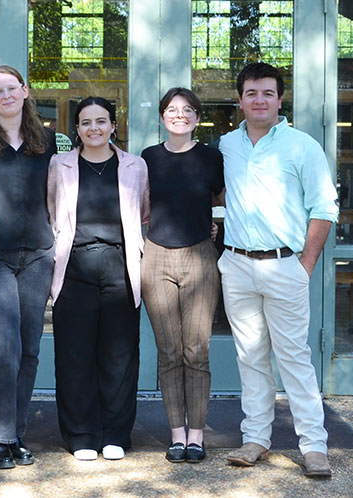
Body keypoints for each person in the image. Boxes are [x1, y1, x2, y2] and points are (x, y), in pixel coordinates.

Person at [218, 62, 339, 479]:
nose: (259, 100)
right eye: (251, 93)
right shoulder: (226, 145)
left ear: (280, 99)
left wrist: (304, 265)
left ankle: (314, 447)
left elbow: (324, 208)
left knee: (294, 358)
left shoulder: (302, 146)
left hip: (285, 265)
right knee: (250, 357)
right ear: (240, 100)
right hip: (236, 264)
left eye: (267, 93)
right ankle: (255, 439)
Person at [47, 96, 149, 461]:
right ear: (76, 129)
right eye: (86, 122)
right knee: (74, 356)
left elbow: (144, 212)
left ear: (113, 126)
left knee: (119, 357)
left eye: (101, 121)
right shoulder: (60, 164)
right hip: (74, 268)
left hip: (121, 268)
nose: (94, 128)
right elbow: (52, 210)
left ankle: (115, 434)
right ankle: (81, 435)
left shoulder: (135, 166)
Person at [0, 66, 57, 470]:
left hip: (38, 254)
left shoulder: (47, 140)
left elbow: (60, 189)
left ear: (25, 91)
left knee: (30, 348)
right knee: (4, 346)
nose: (5, 96)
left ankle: (16, 434)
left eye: (11, 88)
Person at [140, 88, 224, 464]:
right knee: (169, 351)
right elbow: (139, 206)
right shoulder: (148, 158)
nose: (179, 115)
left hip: (200, 258)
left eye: (187, 109)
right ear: (162, 117)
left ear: (197, 117)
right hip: (156, 256)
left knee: (197, 350)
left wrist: (215, 228)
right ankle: (176, 434)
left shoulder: (211, 158)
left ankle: (197, 435)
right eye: (172, 110)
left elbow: (224, 203)